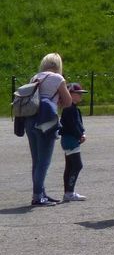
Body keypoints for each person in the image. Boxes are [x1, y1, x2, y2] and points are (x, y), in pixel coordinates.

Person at [24, 53, 73, 206]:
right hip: (46, 121)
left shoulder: (35, 77)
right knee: (44, 161)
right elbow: (68, 102)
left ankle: (41, 192)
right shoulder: (58, 78)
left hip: (30, 119)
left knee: (36, 160)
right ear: (58, 64)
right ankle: (38, 196)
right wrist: (57, 103)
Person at [60, 82, 88, 202]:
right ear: (70, 94)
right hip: (71, 139)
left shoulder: (70, 107)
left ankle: (68, 192)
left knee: (70, 166)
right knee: (77, 165)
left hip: (67, 139)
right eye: (78, 93)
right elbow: (73, 125)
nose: (80, 96)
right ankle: (69, 192)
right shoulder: (70, 108)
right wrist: (80, 135)